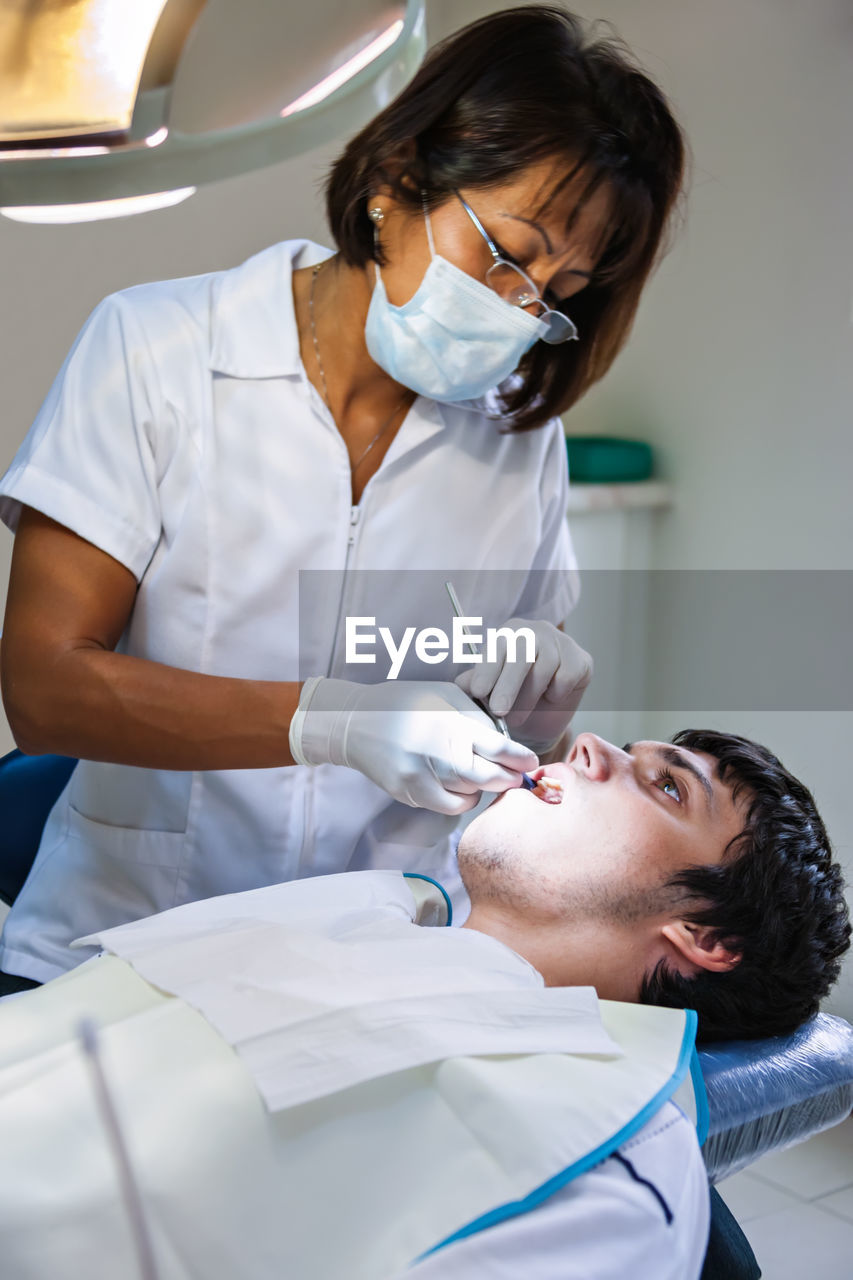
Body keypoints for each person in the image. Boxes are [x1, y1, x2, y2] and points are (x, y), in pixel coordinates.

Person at [0, 6, 686, 989]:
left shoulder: (520, 441)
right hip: (120, 950)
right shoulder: (156, 350)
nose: (516, 305)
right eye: (507, 251)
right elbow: (44, 688)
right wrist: (334, 720)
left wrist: (533, 716)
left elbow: (499, 745)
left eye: (553, 292)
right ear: (397, 180)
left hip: (371, 975)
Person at [0, 730, 847, 1280]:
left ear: (704, 937)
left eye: (667, 789)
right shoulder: (362, 914)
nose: (590, 744)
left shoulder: (603, 1165)